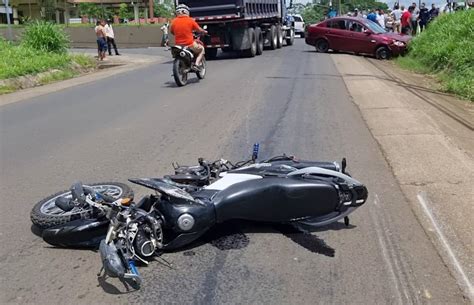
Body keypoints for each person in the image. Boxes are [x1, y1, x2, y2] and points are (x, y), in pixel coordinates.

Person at [170, 4, 208, 70]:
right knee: (201, 49)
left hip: (178, 45)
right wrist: (204, 31)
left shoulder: (173, 21)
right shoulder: (190, 20)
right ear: (186, 12)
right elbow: (199, 29)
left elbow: (172, 32)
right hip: (189, 44)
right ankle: (196, 64)